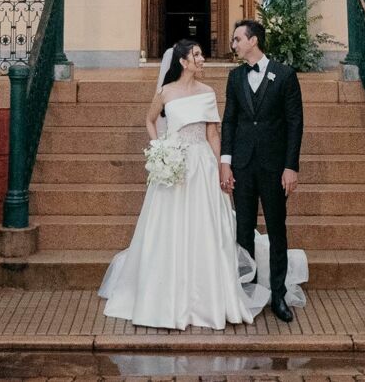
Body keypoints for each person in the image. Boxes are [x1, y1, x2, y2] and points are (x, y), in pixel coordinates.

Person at [96, 38, 307, 330]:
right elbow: (150, 120)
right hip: (175, 164)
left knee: (206, 228)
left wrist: (223, 165)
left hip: (203, 167)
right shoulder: (166, 92)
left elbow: (213, 135)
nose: (202, 59)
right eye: (197, 55)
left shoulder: (208, 93)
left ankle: (210, 296)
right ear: (183, 61)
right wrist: (160, 148)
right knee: (171, 228)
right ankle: (167, 296)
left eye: (201, 54)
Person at [219, 18, 305, 321]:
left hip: (273, 166)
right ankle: (248, 292)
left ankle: (279, 296)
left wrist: (290, 166)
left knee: (276, 228)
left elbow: (295, 123)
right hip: (242, 165)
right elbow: (229, 120)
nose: (234, 44)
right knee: (243, 230)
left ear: (253, 40)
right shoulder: (234, 77)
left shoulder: (284, 75)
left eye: (237, 39)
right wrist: (225, 163)